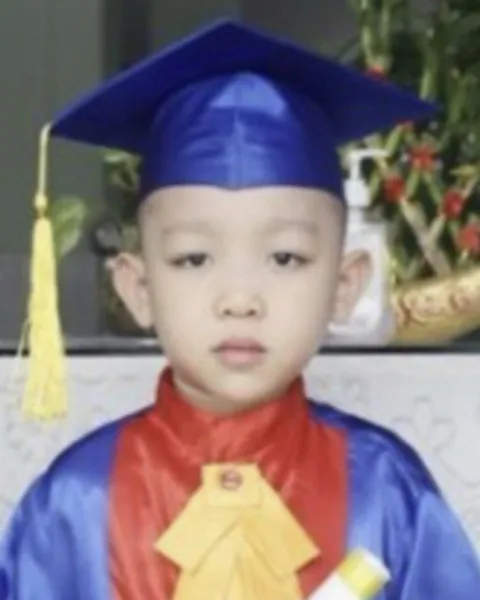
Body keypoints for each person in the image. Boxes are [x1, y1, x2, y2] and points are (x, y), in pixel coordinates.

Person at [1, 19, 479, 600]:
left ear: (344, 286)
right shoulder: (74, 504)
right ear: (138, 288)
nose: (240, 300)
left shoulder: (387, 491)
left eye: (285, 258)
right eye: (194, 259)